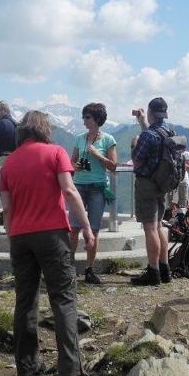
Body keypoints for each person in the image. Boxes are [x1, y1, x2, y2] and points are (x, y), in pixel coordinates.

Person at [0, 110, 98, 376]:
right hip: (52, 234)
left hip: (19, 236)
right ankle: (71, 373)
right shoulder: (56, 153)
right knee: (63, 299)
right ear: (44, 129)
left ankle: (27, 367)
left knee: (25, 300)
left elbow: (7, 208)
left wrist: (12, 236)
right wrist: (87, 228)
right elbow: (68, 191)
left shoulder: (9, 164)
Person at [69, 102, 117, 285]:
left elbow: (113, 166)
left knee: (94, 230)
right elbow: (71, 163)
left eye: (87, 117)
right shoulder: (79, 138)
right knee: (73, 228)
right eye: (84, 117)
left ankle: (90, 269)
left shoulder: (108, 139)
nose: (84, 120)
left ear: (97, 119)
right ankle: (69, 268)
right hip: (79, 186)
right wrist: (75, 166)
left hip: (97, 188)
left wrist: (97, 154)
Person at [129, 97, 176, 286]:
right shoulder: (169, 130)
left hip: (147, 183)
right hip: (162, 183)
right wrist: (142, 122)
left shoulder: (147, 135)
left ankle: (153, 271)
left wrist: (134, 144)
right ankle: (165, 269)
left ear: (150, 112)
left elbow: (137, 160)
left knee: (149, 228)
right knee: (159, 226)